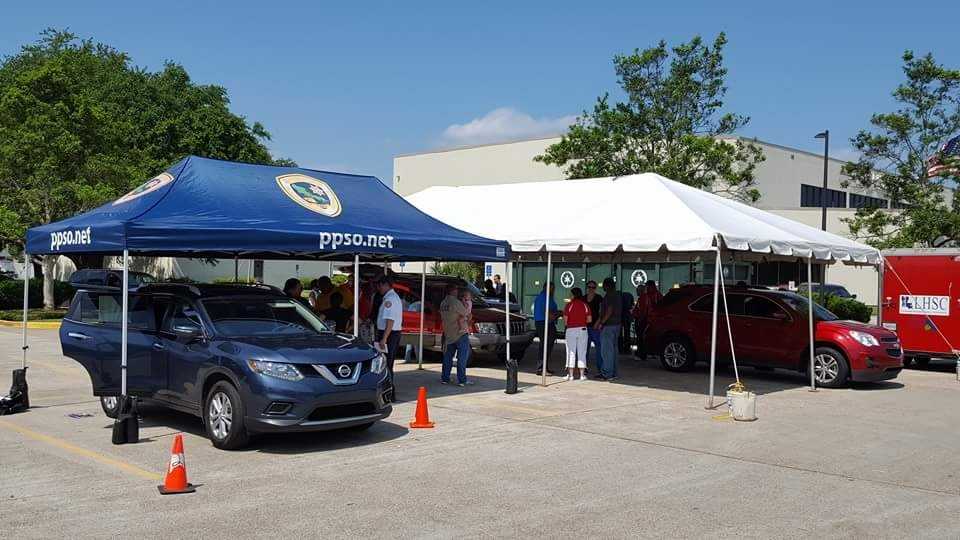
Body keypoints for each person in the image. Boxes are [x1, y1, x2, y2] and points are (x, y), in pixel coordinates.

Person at [375, 275, 402, 400]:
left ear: (386, 285)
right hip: (390, 333)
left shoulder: (390, 299)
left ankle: (390, 394)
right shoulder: (391, 297)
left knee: (386, 364)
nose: (378, 288)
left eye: (380, 285)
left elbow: (390, 320)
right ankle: (389, 393)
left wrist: (384, 338)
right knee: (386, 364)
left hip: (389, 334)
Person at [440, 283, 472, 386]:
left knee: (447, 357)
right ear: (453, 290)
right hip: (460, 334)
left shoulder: (443, 303)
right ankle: (462, 380)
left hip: (448, 333)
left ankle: (445, 378)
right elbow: (466, 313)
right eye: (456, 289)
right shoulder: (455, 302)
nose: (457, 291)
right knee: (462, 358)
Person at [594, 278, 622, 381]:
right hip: (617, 325)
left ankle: (607, 373)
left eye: (604, 286)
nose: (603, 288)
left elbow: (609, 310)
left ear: (607, 286)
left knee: (606, 351)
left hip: (609, 326)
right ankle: (614, 373)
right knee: (614, 350)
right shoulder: (617, 295)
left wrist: (601, 322)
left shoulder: (610, 295)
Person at [563, 287, 591, 381]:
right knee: (582, 351)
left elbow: (566, 322)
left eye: (570, 294)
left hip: (571, 330)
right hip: (583, 330)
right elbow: (589, 320)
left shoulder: (569, 305)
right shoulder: (585, 305)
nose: (569, 296)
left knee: (571, 352)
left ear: (574, 295)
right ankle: (582, 375)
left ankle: (571, 375)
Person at [533, 282, 561, 375]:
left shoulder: (546, 297)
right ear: (545, 288)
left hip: (546, 323)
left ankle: (544, 367)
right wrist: (558, 313)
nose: (553, 290)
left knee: (546, 346)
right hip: (544, 323)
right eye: (551, 288)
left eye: (553, 288)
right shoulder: (544, 297)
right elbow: (548, 314)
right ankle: (541, 368)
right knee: (545, 346)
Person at [632, 280, 663, 359]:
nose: (646, 287)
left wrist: (640, 319)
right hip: (654, 319)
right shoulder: (658, 295)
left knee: (640, 337)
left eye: (647, 286)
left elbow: (643, 310)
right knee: (648, 337)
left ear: (650, 286)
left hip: (645, 319)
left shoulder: (645, 296)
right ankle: (651, 353)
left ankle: (641, 354)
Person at [584, 280, 603, 374]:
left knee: (599, 349)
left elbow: (602, 312)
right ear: (587, 288)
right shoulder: (583, 298)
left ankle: (600, 369)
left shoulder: (599, 298)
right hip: (585, 327)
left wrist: (599, 323)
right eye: (589, 287)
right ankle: (584, 367)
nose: (591, 289)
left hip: (595, 328)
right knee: (584, 348)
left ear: (596, 288)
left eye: (593, 287)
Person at [620, 288, 635, 354]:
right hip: (627, 316)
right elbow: (632, 306)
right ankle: (627, 348)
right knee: (627, 332)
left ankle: (620, 348)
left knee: (620, 333)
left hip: (621, 316)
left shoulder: (620, 297)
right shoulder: (629, 295)